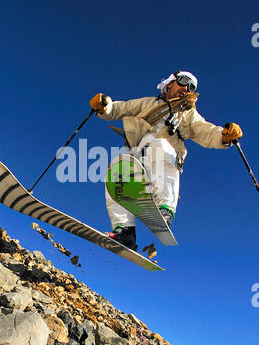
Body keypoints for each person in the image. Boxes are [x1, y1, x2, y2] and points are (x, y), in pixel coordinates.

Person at [90, 70, 242, 250]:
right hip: (139, 156)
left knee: (160, 146)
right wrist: (104, 106)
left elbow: (205, 130)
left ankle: (165, 210)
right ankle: (125, 232)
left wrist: (223, 136)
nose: (187, 88)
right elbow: (120, 108)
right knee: (118, 166)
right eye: (184, 82)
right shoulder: (148, 103)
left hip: (164, 161)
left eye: (191, 87)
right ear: (170, 83)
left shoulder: (187, 114)